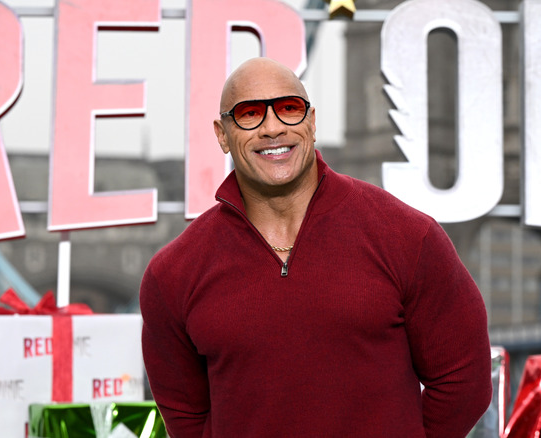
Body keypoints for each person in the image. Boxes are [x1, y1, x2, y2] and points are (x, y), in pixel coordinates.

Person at [140, 57, 492, 438]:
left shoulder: (407, 236)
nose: (272, 128)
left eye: (289, 109)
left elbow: (464, 380)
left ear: (311, 122)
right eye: (249, 114)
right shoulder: (173, 273)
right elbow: (186, 417)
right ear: (222, 134)